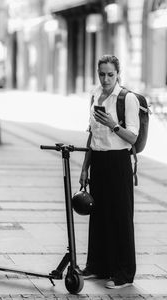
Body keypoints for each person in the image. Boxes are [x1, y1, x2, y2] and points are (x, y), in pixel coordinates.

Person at [79, 54, 139, 289]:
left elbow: (132, 137)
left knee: (120, 218)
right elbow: (92, 134)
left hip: (118, 162)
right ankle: (98, 266)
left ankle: (123, 273)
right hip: (99, 162)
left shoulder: (127, 98)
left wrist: (113, 124)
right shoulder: (95, 95)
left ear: (118, 74)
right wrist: (85, 168)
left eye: (110, 74)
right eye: (102, 74)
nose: (105, 79)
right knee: (99, 216)